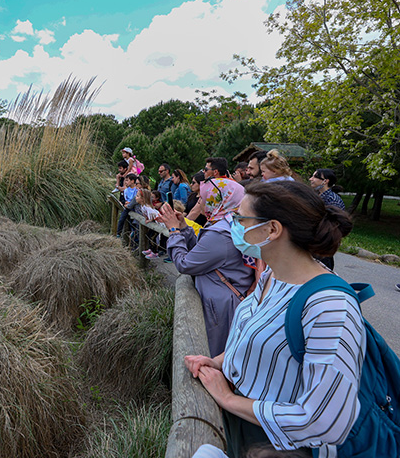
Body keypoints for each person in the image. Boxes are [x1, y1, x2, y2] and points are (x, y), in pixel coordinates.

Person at [186, 181, 361, 458]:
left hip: (280, 448)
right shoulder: (271, 276)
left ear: (272, 229)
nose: (233, 224)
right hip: (245, 430)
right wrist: (218, 362)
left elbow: (326, 422)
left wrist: (228, 398)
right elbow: (259, 341)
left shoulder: (330, 306)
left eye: (240, 218)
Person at [156, 176, 253, 356]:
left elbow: (185, 264)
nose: (199, 202)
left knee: (215, 355)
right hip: (228, 299)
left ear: (216, 199)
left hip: (220, 309)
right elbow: (202, 253)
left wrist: (174, 231)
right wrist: (184, 226)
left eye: (203, 198)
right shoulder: (230, 223)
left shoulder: (220, 234)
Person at [116, 173, 138, 238]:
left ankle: (133, 232)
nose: (126, 182)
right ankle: (118, 232)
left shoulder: (136, 190)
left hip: (134, 207)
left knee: (133, 221)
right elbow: (125, 199)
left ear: (132, 181)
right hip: (127, 206)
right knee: (122, 218)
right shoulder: (126, 190)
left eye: (127, 180)